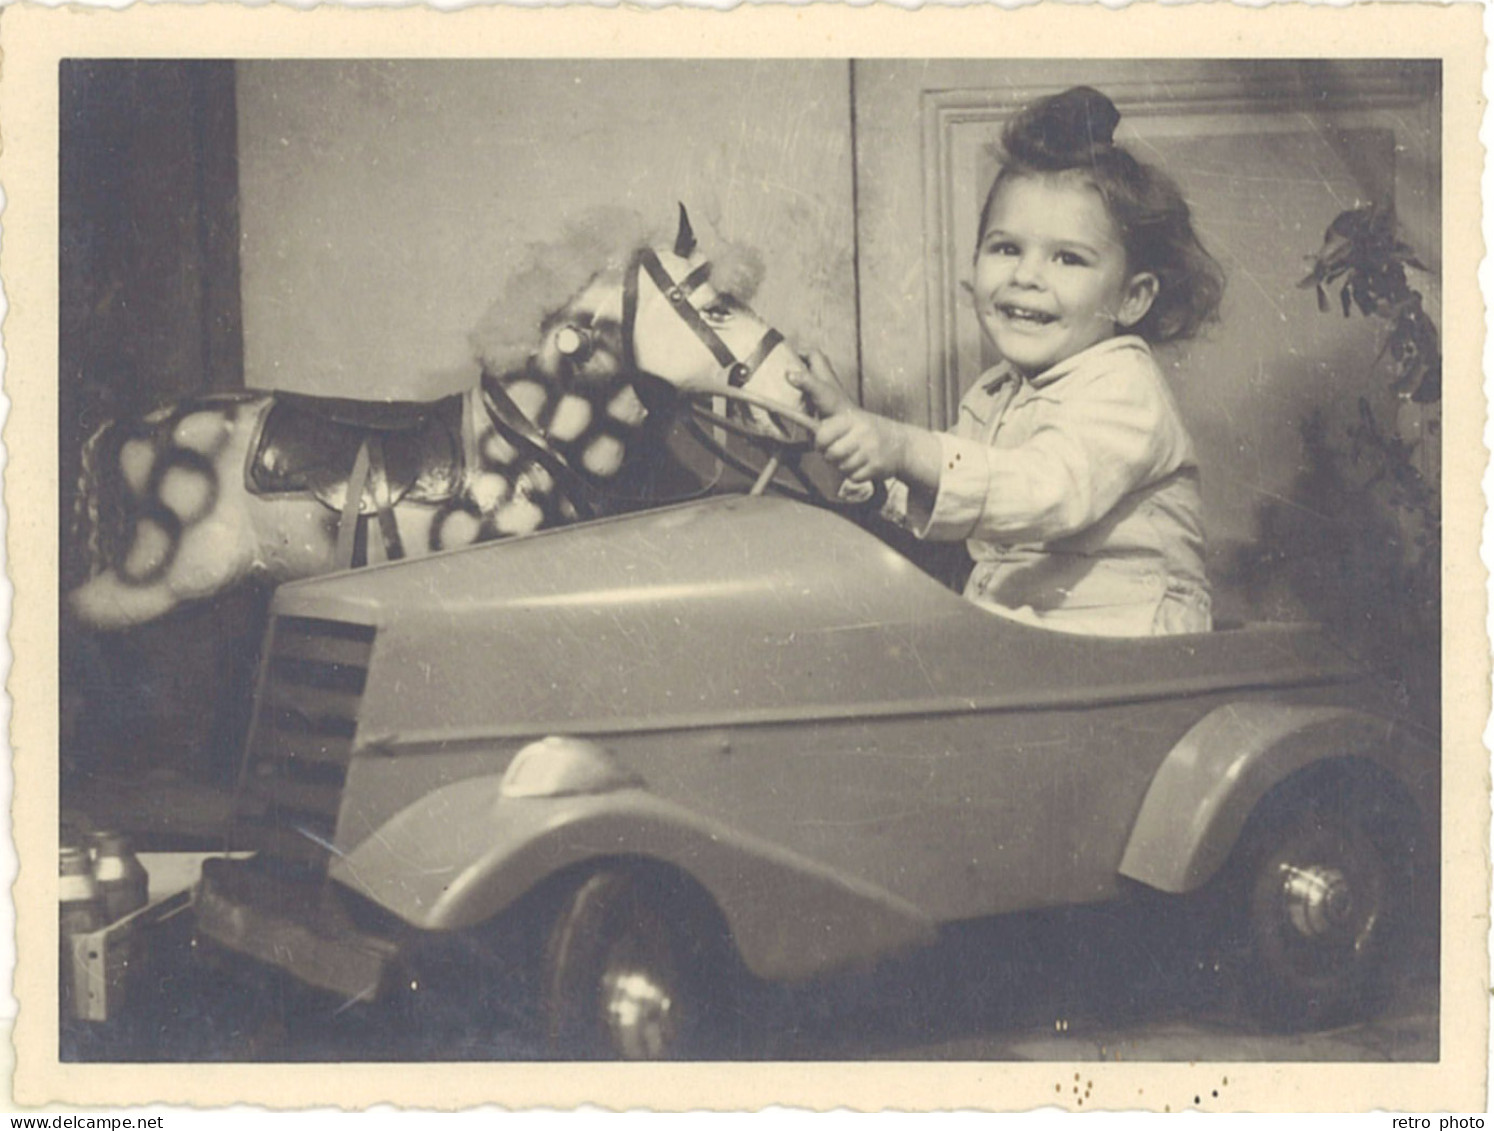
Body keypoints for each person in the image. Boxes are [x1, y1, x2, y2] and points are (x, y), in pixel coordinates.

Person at [791, 85, 1224, 637]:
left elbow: (1041, 490)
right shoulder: (995, 393)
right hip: (1033, 635)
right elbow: (959, 495)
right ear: (973, 266)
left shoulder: (1126, 387)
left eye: (1068, 258)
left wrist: (898, 444)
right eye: (1006, 248)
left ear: (1131, 298)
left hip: (1131, 646)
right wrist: (862, 451)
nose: (1026, 276)